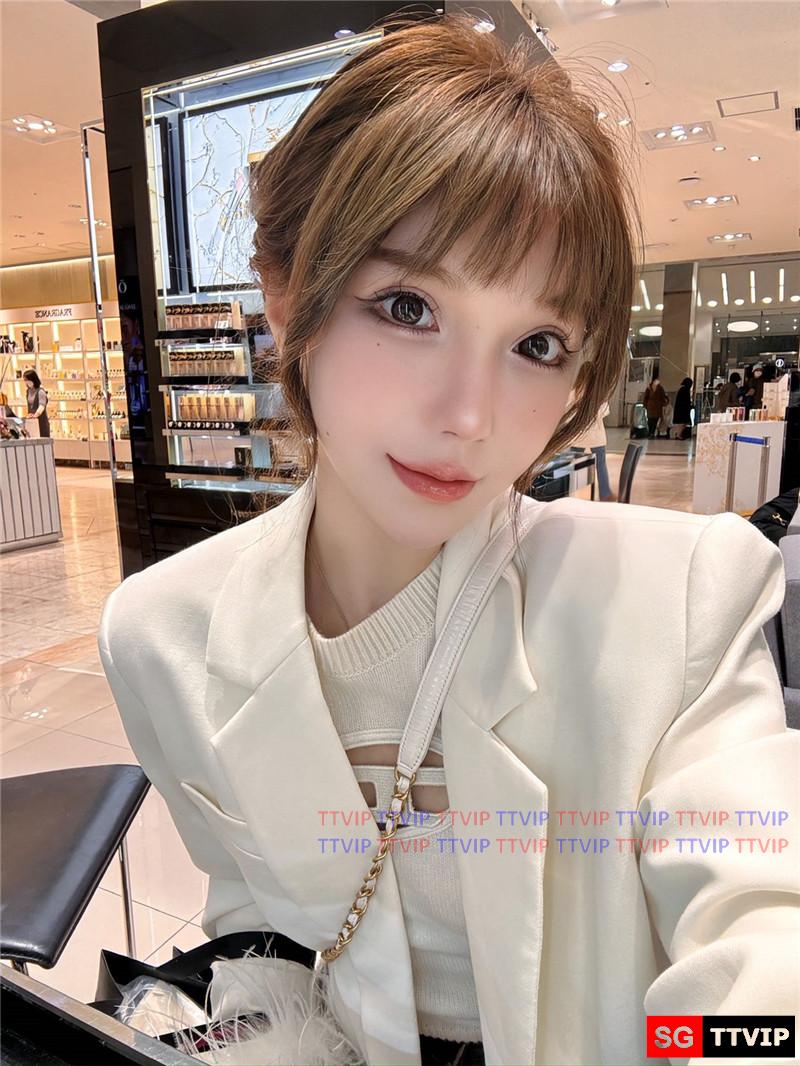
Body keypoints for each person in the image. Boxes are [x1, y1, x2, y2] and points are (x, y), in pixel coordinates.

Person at [97, 15, 798, 1066]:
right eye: (407, 306)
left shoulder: (677, 599)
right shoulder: (162, 634)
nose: (470, 416)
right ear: (283, 294)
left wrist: (709, 1044)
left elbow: (764, 928)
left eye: (536, 343)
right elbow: (255, 918)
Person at [567, 362, 615, 501]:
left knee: (574, 466)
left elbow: (567, 413)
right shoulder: (598, 393)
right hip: (596, 436)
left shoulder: (574, 392)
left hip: (578, 435)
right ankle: (605, 494)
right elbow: (605, 411)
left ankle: (571, 495)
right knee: (601, 465)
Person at [22, 369, 50, 438]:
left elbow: (41, 406)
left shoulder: (40, 392)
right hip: (31, 422)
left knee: (42, 440)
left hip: (41, 422)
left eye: (26, 380)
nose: (25, 382)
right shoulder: (28, 391)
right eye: (24, 380)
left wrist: (35, 415)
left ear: (32, 379)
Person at [671, 376, 693, 440]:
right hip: (683, 409)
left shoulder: (681, 389)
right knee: (683, 423)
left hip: (679, 408)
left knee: (680, 423)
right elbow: (686, 401)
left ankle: (678, 434)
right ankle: (679, 434)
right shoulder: (685, 390)